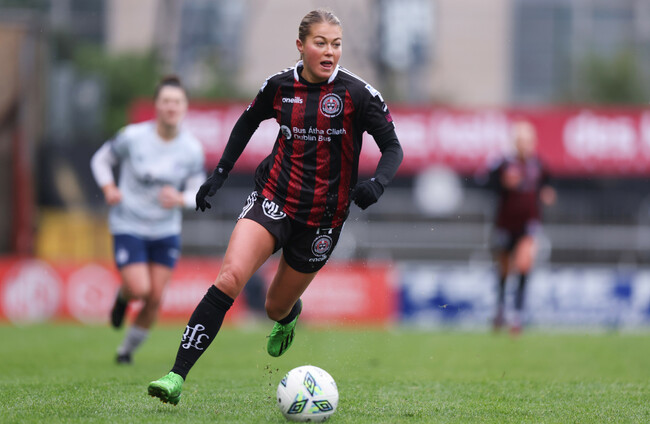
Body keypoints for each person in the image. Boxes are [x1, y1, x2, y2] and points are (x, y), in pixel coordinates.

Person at [147, 9, 403, 405]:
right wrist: (219, 173)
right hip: (273, 200)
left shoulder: (358, 94)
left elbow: (393, 147)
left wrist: (378, 183)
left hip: (323, 220)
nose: (330, 51)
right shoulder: (279, 86)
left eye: (336, 44)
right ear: (301, 45)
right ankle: (175, 375)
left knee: (274, 306)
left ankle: (289, 315)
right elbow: (246, 123)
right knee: (230, 277)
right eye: (321, 42)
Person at [90, 75, 205, 364]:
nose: (171, 107)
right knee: (139, 289)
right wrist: (109, 187)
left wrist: (180, 198)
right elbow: (100, 160)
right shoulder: (133, 137)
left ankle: (125, 352)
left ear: (185, 107)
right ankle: (123, 297)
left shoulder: (192, 149)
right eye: (166, 101)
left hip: (166, 230)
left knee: (154, 298)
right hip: (129, 224)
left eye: (177, 102)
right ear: (156, 105)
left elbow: (198, 194)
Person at [488, 120, 556, 335]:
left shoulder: (539, 165)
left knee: (524, 264)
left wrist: (547, 193)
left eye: (528, 141)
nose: (525, 145)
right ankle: (500, 309)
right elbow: (487, 184)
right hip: (505, 224)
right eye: (521, 140)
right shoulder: (503, 164)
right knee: (504, 269)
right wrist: (503, 183)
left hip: (529, 224)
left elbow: (547, 184)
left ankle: (517, 314)